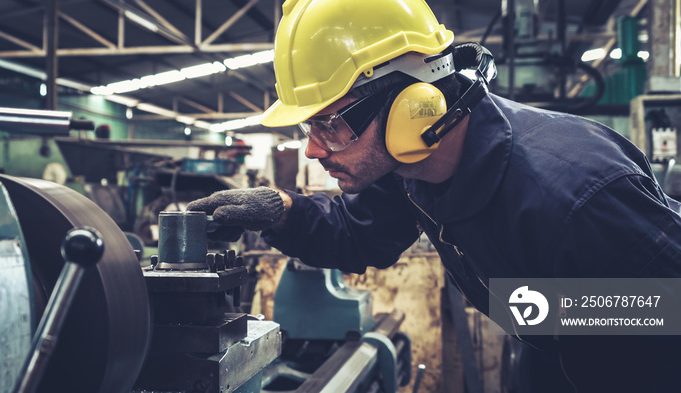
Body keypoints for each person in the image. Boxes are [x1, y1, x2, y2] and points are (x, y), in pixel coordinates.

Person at [187, 0, 681, 391]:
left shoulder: (577, 197)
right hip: (552, 348)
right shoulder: (417, 166)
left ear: (412, 105)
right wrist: (282, 211)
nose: (314, 149)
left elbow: (663, 311)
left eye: (329, 124)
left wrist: (544, 310)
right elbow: (362, 235)